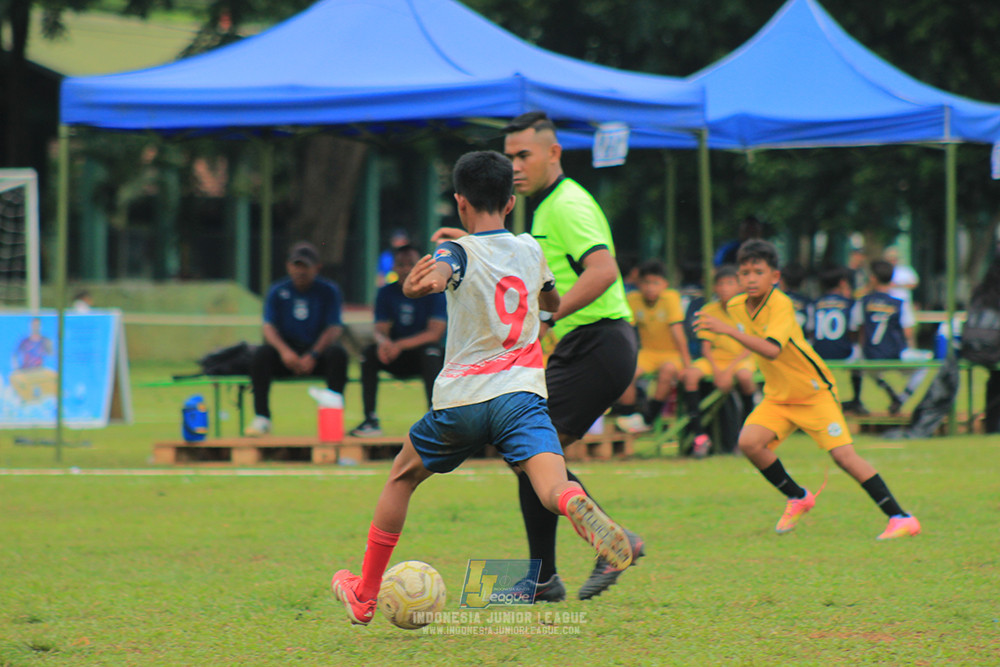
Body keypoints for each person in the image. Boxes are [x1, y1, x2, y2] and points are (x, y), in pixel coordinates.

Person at [330, 151, 640, 626]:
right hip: (522, 399)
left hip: (462, 402)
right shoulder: (531, 251)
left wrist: (420, 285)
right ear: (511, 202)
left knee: (401, 477)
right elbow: (551, 300)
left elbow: (442, 270)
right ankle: (574, 504)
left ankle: (366, 593)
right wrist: (543, 304)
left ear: (459, 203)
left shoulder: (455, 252)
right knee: (551, 484)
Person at [432, 111, 643, 602]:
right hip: (587, 344)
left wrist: (549, 316)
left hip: (600, 342)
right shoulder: (544, 209)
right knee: (529, 455)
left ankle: (565, 568)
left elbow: (605, 269)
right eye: (510, 157)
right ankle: (546, 576)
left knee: (530, 453)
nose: (516, 165)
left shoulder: (567, 205)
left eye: (525, 155)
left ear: (554, 153)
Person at [695, 239, 920, 540]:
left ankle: (900, 517)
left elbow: (772, 350)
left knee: (844, 458)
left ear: (775, 277)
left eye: (758, 272)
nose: (750, 278)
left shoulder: (781, 304)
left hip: (812, 393)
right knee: (750, 443)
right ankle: (798, 496)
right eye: (744, 272)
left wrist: (726, 331)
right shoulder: (736, 305)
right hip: (778, 396)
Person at [246, 242, 349, 436]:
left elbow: (334, 328)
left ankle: (333, 416)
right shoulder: (277, 290)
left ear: (317, 267)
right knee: (261, 355)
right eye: (296, 265)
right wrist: (285, 352)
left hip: (317, 352)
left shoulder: (328, 291)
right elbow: (269, 327)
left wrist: (313, 354)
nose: (300, 271)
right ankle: (262, 417)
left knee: (338, 355)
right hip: (287, 354)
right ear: (288, 266)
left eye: (305, 266)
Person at [350, 244, 447, 437]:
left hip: (422, 354)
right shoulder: (386, 293)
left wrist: (398, 345)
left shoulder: (434, 292)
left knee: (432, 352)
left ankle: (435, 418)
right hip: (394, 355)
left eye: (411, 264)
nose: (405, 270)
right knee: (368, 354)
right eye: (400, 264)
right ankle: (370, 419)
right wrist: (383, 343)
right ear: (393, 267)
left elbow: (434, 333)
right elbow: (380, 328)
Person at [680, 265, 757, 457]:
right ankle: (699, 435)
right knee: (690, 375)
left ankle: (744, 436)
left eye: (729, 283)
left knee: (745, 377)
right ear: (714, 288)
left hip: (740, 360)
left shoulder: (749, 309)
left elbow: (750, 346)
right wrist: (717, 371)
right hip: (715, 360)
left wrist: (728, 372)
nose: (724, 288)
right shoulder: (708, 310)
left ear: (740, 287)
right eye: (720, 284)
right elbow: (706, 347)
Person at [615, 259, 690, 434]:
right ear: (639, 284)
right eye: (646, 283)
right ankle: (629, 416)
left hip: (671, 353)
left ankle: (649, 418)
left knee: (667, 371)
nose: (650, 288)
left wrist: (687, 364)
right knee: (627, 372)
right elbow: (626, 330)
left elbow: (678, 333)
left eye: (655, 283)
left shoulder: (671, 298)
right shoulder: (633, 299)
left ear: (665, 284)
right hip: (647, 353)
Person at [857, 259, 928, 415]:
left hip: (871, 356)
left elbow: (859, 330)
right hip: (896, 355)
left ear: (873, 278)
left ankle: (887, 392)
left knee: (859, 364)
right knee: (927, 363)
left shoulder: (863, 301)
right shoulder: (900, 303)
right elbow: (908, 333)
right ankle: (901, 398)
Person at [812, 267, 866, 414]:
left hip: (818, 353)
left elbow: (811, 330)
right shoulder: (851, 303)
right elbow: (854, 330)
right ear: (842, 283)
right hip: (844, 353)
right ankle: (856, 400)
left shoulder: (815, 303)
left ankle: (816, 401)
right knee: (859, 355)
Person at [964, 255, 1000, 433]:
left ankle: (992, 426)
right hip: (993, 350)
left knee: (995, 381)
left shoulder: (982, 289)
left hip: (975, 349)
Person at [883, 246, 919, 349]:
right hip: (888, 307)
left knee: (908, 332)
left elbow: (914, 283)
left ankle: (911, 351)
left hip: (904, 305)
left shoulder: (905, 270)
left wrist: (897, 285)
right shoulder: (885, 271)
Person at [779, 261, 813, 339]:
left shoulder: (776, 300)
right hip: (799, 346)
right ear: (803, 283)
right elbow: (810, 329)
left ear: (782, 280)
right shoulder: (807, 303)